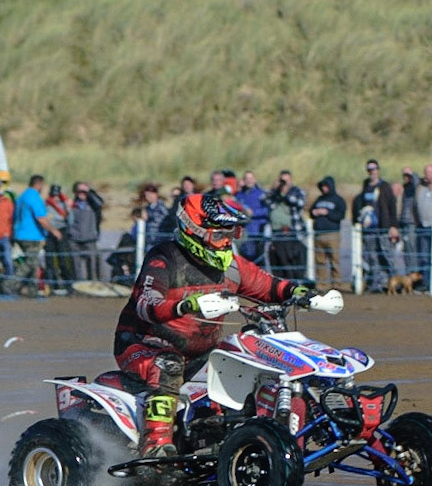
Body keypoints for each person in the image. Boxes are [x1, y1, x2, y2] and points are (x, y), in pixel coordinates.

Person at [116, 192, 312, 457]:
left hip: (200, 350)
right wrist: (186, 305)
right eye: (219, 236)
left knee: (241, 357)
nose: (225, 244)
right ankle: (155, 447)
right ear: (193, 231)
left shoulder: (230, 265)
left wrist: (300, 293)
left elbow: (268, 285)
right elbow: (146, 304)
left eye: (230, 236)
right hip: (142, 343)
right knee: (168, 365)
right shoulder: (164, 259)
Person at [12, 174, 59, 295]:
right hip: (31, 236)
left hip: (20, 234)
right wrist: (54, 230)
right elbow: (41, 218)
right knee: (30, 263)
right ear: (38, 184)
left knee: (34, 265)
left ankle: (32, 290)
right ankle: (10, 284)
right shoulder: (33, 197)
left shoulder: (22, 196)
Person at [357, 160, 399, 288]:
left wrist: (393, 226)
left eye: (374, 169)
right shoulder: (365, 186)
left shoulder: (384, 186)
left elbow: (392, 207)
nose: (372, 172)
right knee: (372, 257)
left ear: (378, 170)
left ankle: (394, 283)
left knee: (387, 256)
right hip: (369, 228)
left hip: (383, 227)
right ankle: (376, 284)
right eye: (369, 169)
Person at [266, 171, 306, 279]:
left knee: (293, 260)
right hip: (276, 233)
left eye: (286, 181)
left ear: (291, 180)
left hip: (292, 232)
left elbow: (299, 203)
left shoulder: (296, 191)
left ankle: (296, 283)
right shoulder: (274, 194)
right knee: (279, 260)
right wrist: (275, 190)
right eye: (281, 181)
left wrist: (284, 194)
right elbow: (266, 201)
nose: (283, 184)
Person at [309, 177, 345, 288]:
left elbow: (340, 215)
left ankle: (336, 284)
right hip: (319, 234)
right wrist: (314, 212)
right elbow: (311, 211)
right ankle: (321, 284)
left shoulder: (338, 200)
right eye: (322, 186)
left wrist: (327, 212)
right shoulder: (319, 199)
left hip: (332, 234)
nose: (324, 188)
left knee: (334, 260)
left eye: (326, 186)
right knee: (320, 261)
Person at [66, 181, 105, 281]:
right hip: (74, 239)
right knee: (75, 266)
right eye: (79, 191)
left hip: (90, 238)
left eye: (84, 191)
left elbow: (100, 203)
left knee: (92, 265)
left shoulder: (93, 204)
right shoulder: (72, 204)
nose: (82, 193)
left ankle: (93, 284)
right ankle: (77, 286)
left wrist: (90, 192)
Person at [236, 171, 267, 263]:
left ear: (255, 180)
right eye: (246, 179)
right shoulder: (239, 195)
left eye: (251, 178)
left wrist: (254, 213)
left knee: (260, 260)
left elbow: (267, 210)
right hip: (245, 232)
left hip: (259, 231)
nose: (249, 181)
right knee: (247, 258)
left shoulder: (261, 194)